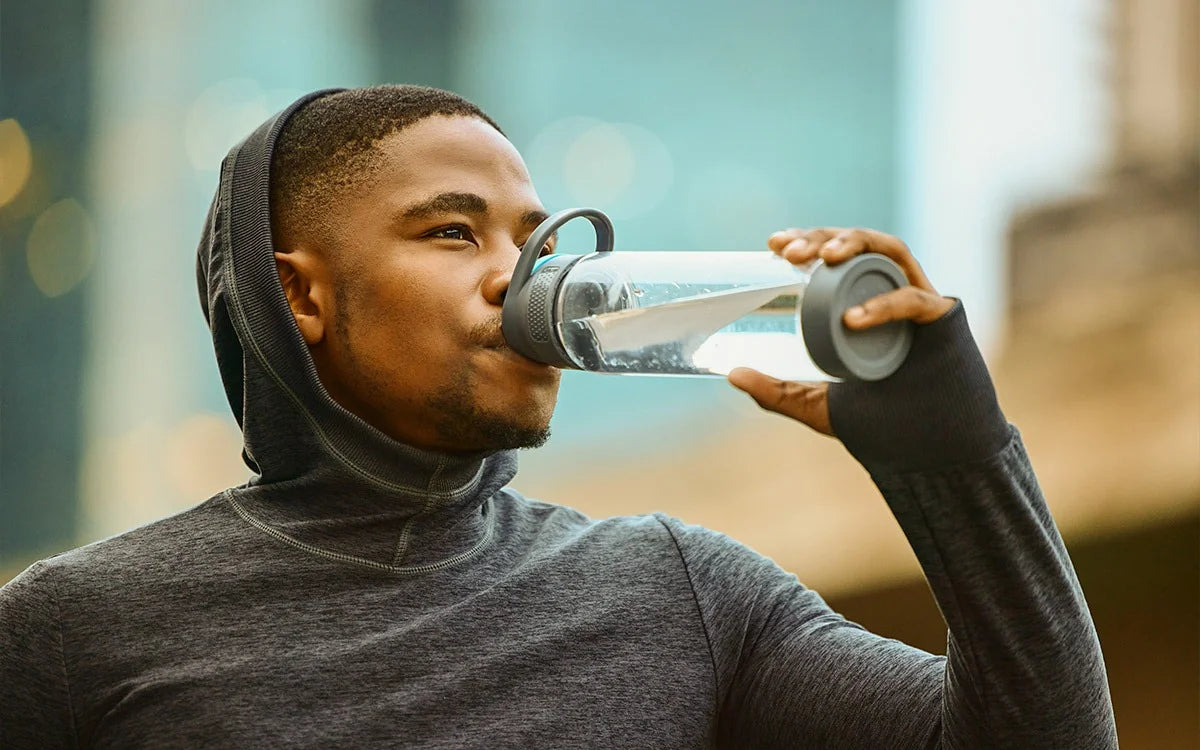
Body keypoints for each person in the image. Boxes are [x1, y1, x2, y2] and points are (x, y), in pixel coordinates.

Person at [0, 85, 1117, 748]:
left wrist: (955, 457)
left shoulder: (680, 590)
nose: (520, 277)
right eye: (452, 232)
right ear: (303, 295)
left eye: (536, 240)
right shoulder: (73, 629)